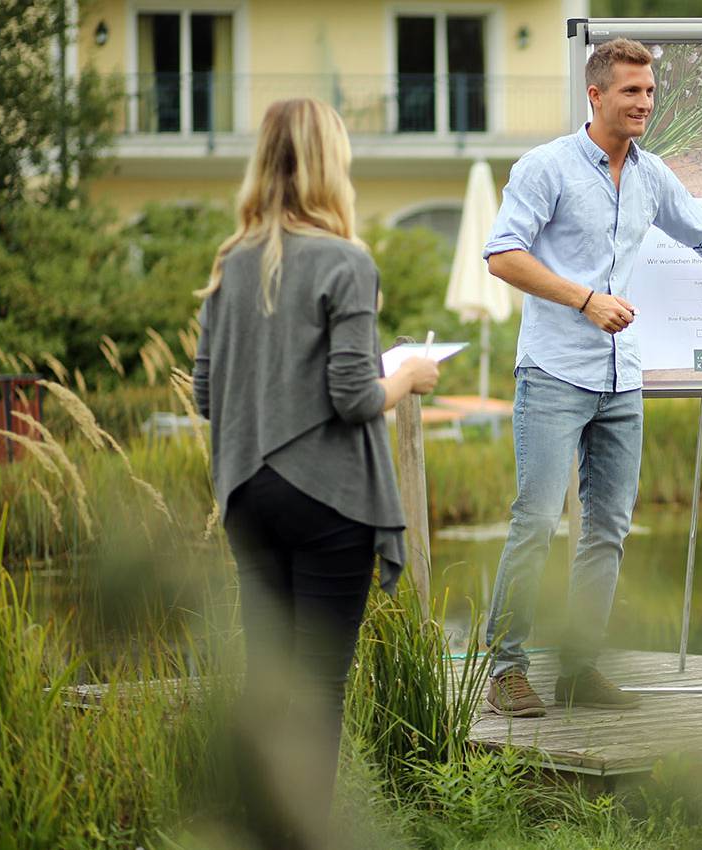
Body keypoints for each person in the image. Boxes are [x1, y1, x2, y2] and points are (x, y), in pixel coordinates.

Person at [482, 38, 702, 717]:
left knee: (609, 529)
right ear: (596, 95)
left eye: (649, 92)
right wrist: (584, 299)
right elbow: (502, 256)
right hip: (555, 374)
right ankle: (505, 670)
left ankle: (581, 669)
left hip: (622, 382)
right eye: (631, 92)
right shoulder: (546, 168)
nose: (644, 103)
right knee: (535, 522)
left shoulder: (653, 176)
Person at [193, 98, 440, 849]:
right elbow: (355, 396)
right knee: (320, 688)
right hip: (328, 495)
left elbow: (207, 395)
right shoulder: (346, 260)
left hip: (245, 492)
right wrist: (413, 375)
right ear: (331, 163)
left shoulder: (229, 263)